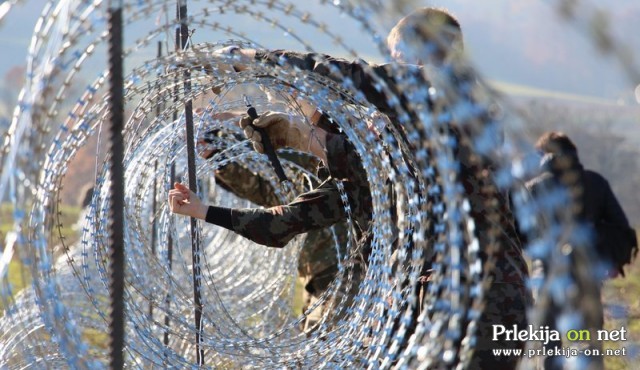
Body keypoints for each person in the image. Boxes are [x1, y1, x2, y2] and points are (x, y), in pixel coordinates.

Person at [172, 7, 531, 368]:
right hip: (450, 300)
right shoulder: (404, 144)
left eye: (400, 59)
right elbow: (307, 204)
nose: (395, 67)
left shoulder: (450, 95)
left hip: (477, 297)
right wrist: (204, 209)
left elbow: (351, 84)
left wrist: (251, 61)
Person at [526, 131, 632, 370]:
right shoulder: (596, 183)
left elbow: (521, 235)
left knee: (549, 343)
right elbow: (621, 227)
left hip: (547, 275)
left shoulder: (535, 188)